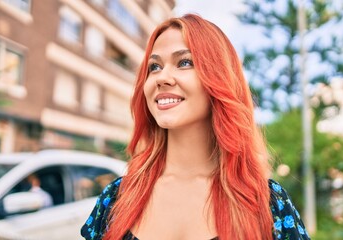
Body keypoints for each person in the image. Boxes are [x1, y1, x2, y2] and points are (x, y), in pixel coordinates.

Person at [81, 14, 310, 240]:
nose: (162, 77)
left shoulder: (269, 205)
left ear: (219, 79)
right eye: (154, 66)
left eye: (184, 62)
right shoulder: (116, 198)